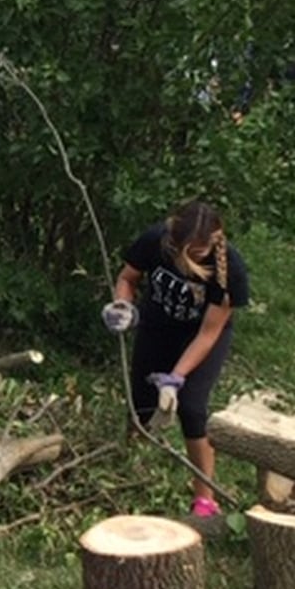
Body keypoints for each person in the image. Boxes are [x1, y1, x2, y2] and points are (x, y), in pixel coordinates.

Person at [103, 200, 250, 518]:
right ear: (172, 235)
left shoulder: (230, 271)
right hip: (158, 326)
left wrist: (175, 377)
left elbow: (208, 334)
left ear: (216, 238)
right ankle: (129, 469)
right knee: (141, 403)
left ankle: (205, 498)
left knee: (192, 408)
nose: (190, 258)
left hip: (200, 338)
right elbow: (128, 278)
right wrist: (122, 307)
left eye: (198, 253)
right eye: (183, 250)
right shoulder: (155, 239)